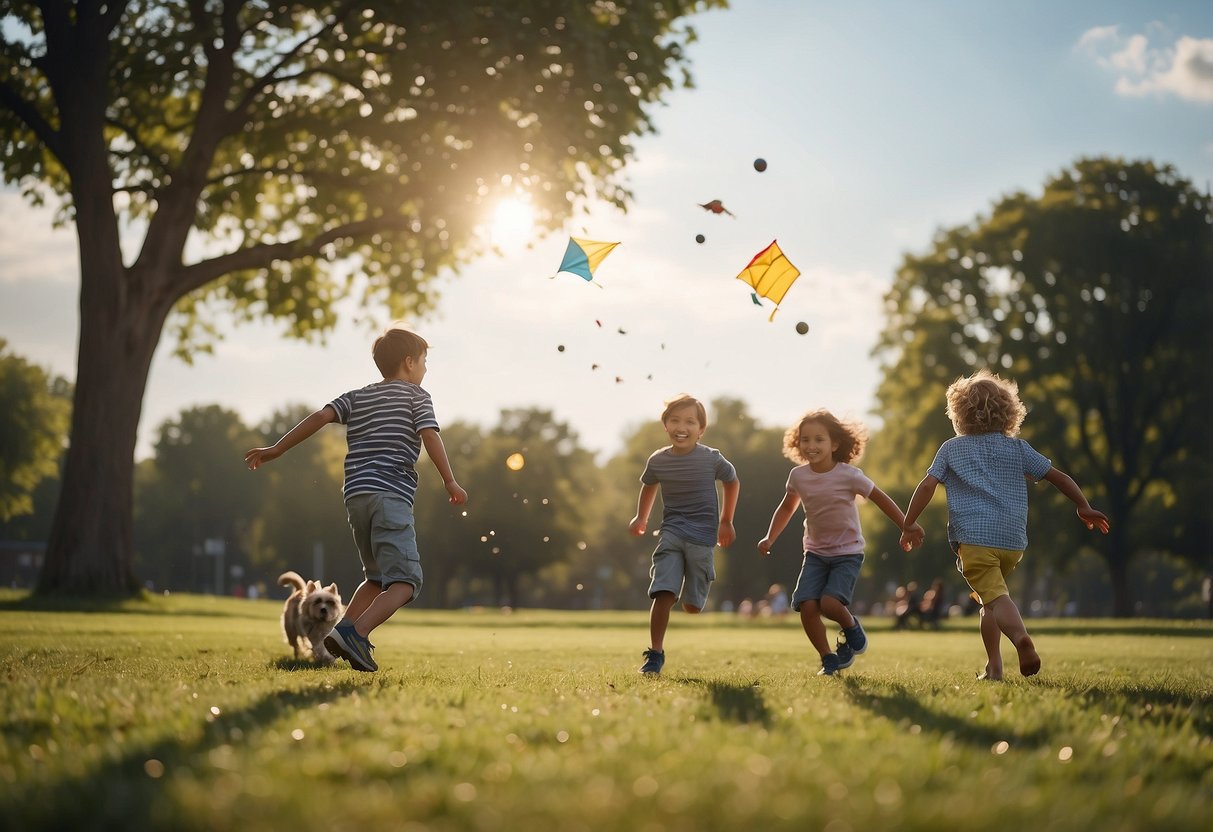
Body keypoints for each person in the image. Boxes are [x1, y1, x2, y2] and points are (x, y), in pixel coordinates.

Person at [244, 326, 468, 672]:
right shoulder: (416, 397)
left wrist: (277, 448)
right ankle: (355, 632)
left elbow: (320, 417)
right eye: (425, 361)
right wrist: (450, 480)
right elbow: (430, 436)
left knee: (376, 578)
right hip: (390, 496)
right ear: (409, 362)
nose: (425, 369)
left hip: (357, 497)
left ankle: (337, 635)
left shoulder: (357, 396)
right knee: (407, 582)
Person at [899, 369, 1109, 680]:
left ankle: (1021, 638)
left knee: (997, 599)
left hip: (974, 540)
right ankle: (993, 667)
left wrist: (908, 523)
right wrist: (1084, 505)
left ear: (958, 415)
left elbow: (928, 486)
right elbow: (1058, 477)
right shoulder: (1018, 449)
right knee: (989, 603)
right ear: (1009, 413)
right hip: (1012, 542)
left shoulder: (952, 448)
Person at [758, 410, 910, 676]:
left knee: (829, 604)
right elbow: (786, 509)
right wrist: (770, 536)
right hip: (815, 553)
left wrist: (907, 525)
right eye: (805, 440)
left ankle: (851, 627)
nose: (811, 446)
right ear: (798, 443)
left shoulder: (849, 475)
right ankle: (828, 657)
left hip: (848, 553)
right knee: (807, 607)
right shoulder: (798, 477)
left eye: (819, 439)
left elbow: (880, 498)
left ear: (835, 444)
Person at [629, 395, 740, 675]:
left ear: (701, 429)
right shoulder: (658, 460)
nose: (682, 426)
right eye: (675, 420)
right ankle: (655, 653)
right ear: (665, 425)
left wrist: (726, 520)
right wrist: (641, 517)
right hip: (672, 531)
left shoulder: (710, 458)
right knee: (663, 592)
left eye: (690, 421)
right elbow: (649, 486)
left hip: (703, 537)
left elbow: (732, 480)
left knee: (692, 606)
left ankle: (696, 590)